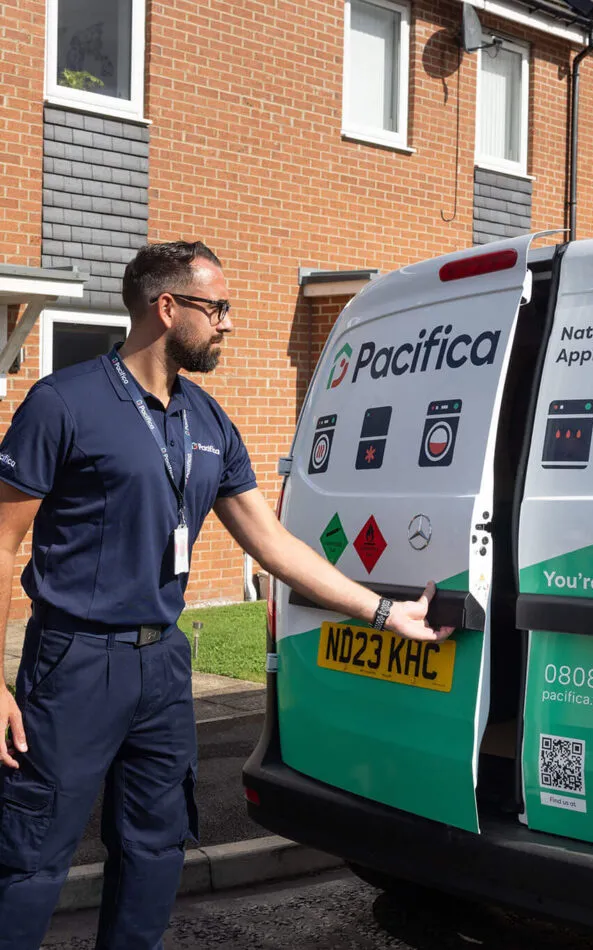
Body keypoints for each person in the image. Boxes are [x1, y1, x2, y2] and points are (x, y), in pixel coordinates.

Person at [0, 240, 453, 949]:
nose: (229, 324)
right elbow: (1, 544)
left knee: (154, 852)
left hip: (162, 667)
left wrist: (386, 611)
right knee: (29, 860)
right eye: (218, 308)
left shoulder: (208, 421)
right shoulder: (64, 403)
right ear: (167, 306)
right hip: (74, 665)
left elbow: (273, 545)